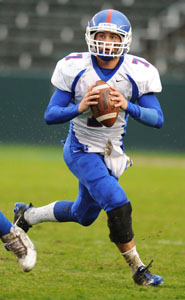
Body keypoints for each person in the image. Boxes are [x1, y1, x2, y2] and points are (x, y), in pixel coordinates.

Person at [13, 9, 164, 286]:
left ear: (125, 40)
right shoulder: (74, 67)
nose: (106, 41)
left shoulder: (137, 71)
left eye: (112, 36)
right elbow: (51, 114)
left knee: (84, 216)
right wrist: (78, 107)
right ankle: (139, 270)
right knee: (117, 202)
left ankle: (28, 216)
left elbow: (158, 119)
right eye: (101, 35)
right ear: (90, 37)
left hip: (111, 153)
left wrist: (126, 105)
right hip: (80, 148)